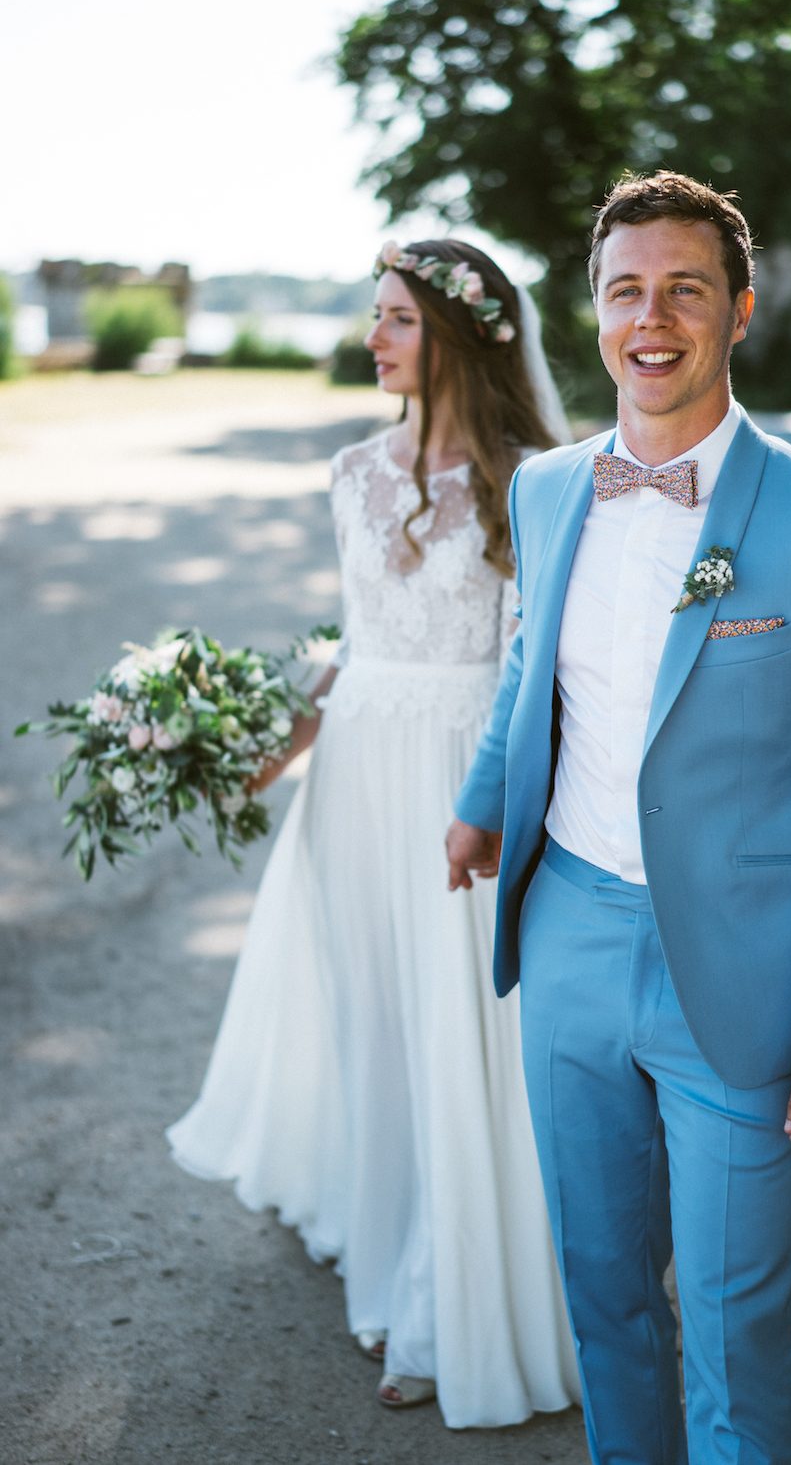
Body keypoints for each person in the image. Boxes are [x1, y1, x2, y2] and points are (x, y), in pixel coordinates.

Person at [446, 171, 791, 1465]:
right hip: (569, 944)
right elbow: (531, 657)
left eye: (686, 290)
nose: (653, 318)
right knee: (604, 1299)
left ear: (741, 311)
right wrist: (483, 804)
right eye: (626, 290)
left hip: (750, 977)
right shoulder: (545, 491)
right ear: (596, 312)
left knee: (731, 1322)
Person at [168, 237, 580, 1428]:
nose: (373, 336)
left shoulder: (532, 480)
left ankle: (448, 1306)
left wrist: (501, 806)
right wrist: (270, 744)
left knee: (466, 1035)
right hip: (354, 774)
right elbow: (357, 637)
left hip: (463, 777)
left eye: (394, 317)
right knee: (381, 1025)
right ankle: (393, 1242)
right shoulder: (351, 471)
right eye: (376, 315)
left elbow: (537, 667)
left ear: (452, 333)